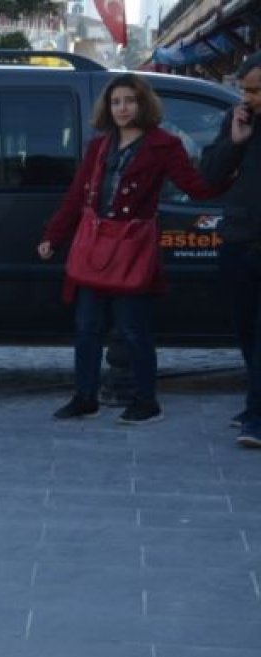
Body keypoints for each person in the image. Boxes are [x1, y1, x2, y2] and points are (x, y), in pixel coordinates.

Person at [39, 74, 219, 425]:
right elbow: (77, 197)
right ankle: (85, 396)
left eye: (129, 101)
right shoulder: (99, 146)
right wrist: (53, 236)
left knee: (134, 328)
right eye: (116, 101)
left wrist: (231, 159)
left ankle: (146, 401)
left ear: (143, 104)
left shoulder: (163, 145)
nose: (122, 108)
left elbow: (195, 186)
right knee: (86, 326)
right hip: (94, 246)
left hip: (133, 248)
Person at [201, 52, 261, 448]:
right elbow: (210, 174)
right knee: (245, 330)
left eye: (256, 90)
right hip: (240, 239)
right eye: (245, 89)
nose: (248, 97)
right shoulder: (239, 119)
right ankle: (254, 405)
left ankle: (256, 417)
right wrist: (235, 143)